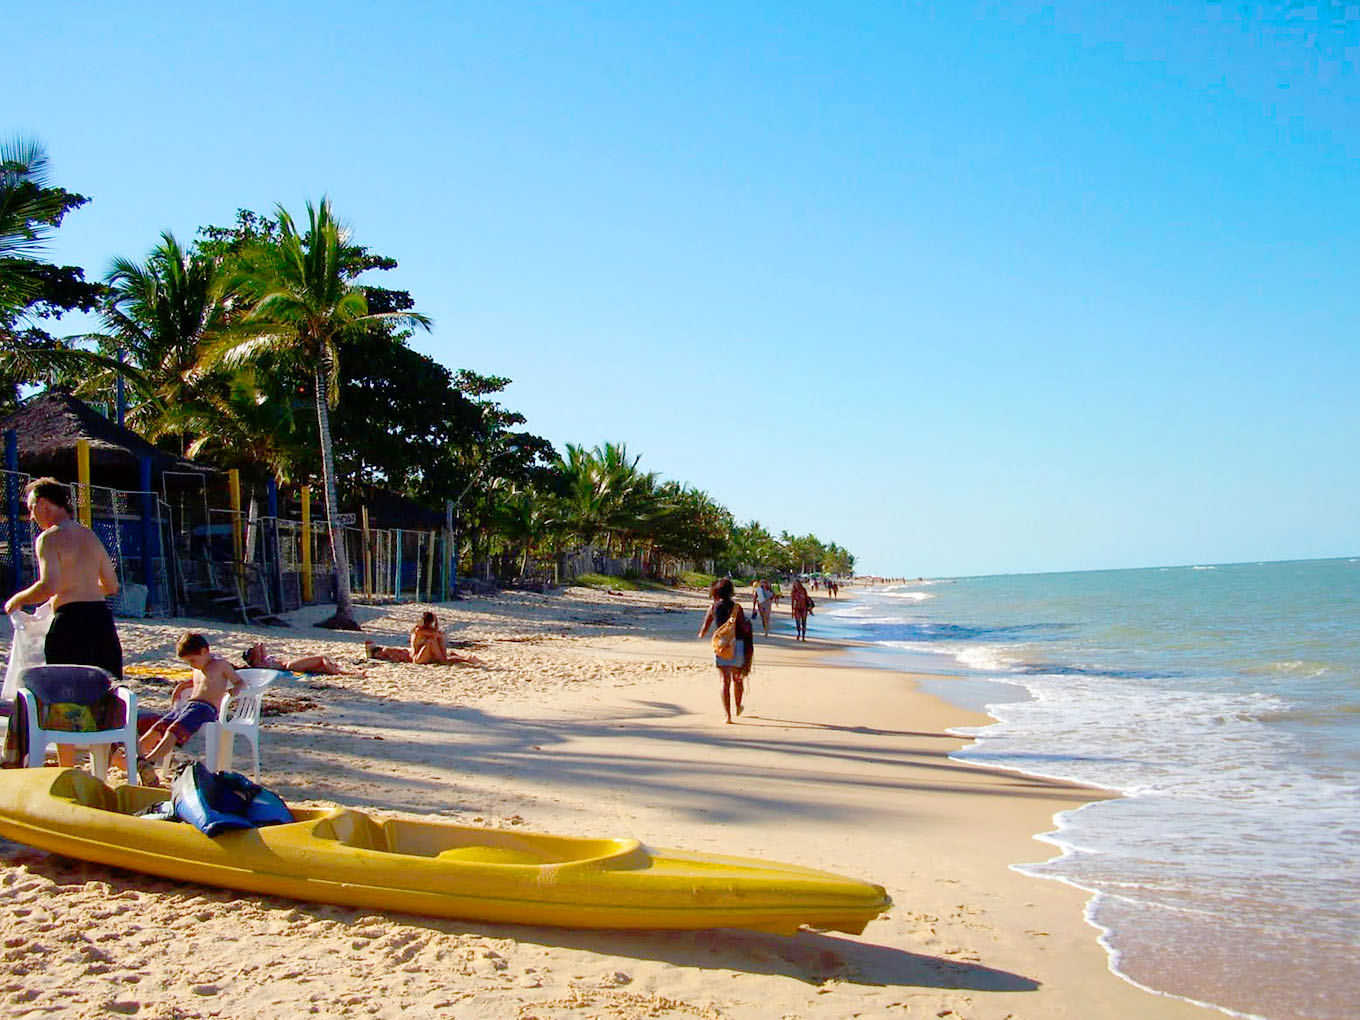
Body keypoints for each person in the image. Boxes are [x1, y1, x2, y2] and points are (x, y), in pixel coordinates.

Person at [4, 478, 123, 682]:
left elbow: (49, 586)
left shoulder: (49, 538)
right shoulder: (89, 536)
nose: (32, 517)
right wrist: (80, 587)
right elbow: (112, 586)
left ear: (43, 503)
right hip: (102, 622)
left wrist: (17, 600)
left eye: (31, 508)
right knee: (105, 694)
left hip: (70, 623)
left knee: (67, 698)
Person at [126, 633, 245, 786]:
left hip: (205, 708)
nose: (192, 665)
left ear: (204, 651)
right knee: (158, 727)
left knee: (173, 731)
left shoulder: (220, 665)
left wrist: (236, 690)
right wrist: (181, 686)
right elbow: (199, 682)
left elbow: (240, 681)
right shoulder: (198, 668)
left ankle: (150, 761)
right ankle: (136, 758)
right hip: (187, 705)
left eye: (192, 660)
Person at [697, 579, 754, 724]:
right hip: (738, 646)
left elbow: (703, 631)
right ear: (731, 592)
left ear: (715, 592)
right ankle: (738, 705)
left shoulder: (712, 608)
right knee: (737, 678)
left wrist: (706, 634)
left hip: (721, 647)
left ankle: (727, 716)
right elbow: (742, 627)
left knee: (724, 681)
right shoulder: (737, 608)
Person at [365, 612, 484, 666]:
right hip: (417, 658)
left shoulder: (426, 631)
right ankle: (461, 659)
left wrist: (437, 625)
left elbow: (438, 634)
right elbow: (436, 634)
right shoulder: (419, 631)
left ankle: (464, 659)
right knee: (434, 641)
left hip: (421, 655)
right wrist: (437, 623)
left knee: (437, 640)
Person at [243, 641, 365, 676]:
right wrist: (252, 653)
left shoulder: (263, 659)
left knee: (322, 665)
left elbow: (260, 644)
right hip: (289, 666)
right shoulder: (259, 663)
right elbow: (257, 646)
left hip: (290, 664)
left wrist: (255, 650)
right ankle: (336, 672)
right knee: (321, 658)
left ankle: (352, 673)